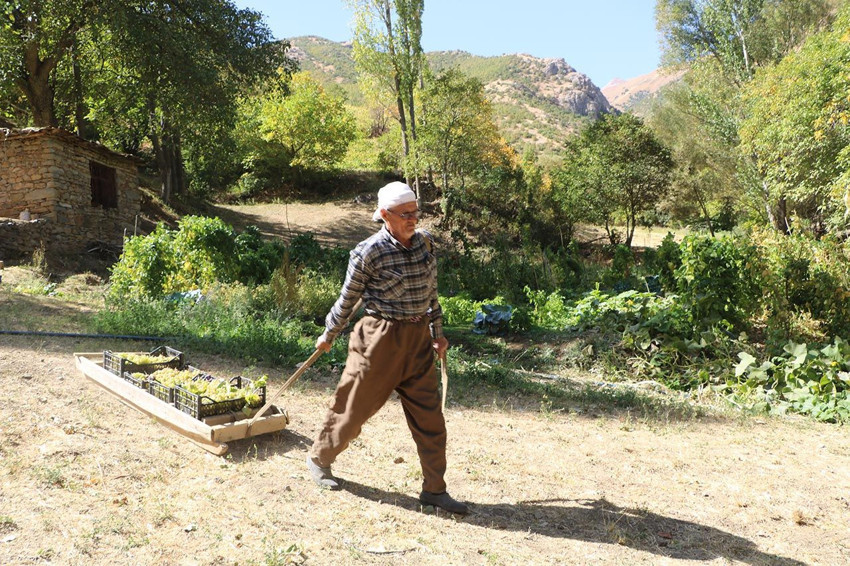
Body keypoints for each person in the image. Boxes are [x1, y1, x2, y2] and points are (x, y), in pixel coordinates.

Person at [306, 181, 468, 515]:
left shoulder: (425, 244)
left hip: (418, 341)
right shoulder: (368, 252)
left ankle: (435, 490)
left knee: (431, 420)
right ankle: (320, 458)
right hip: (378, 340)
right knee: (352, 410)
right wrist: (329, 333)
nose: (413, 219)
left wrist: (437, 331)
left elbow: (431, 293)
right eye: (405, 214)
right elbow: (348, 300)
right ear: (384, 215)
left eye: (415, 212)